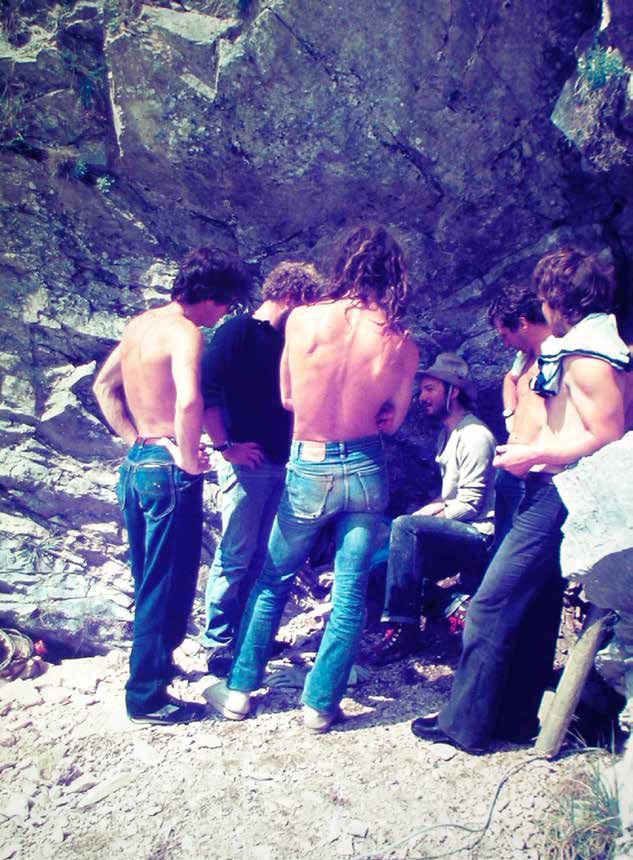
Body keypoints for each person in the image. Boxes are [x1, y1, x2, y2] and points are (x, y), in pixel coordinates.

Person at [411, 247, 630, 754]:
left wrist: (537, 453)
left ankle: (464, 725)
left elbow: (608, 433)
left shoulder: (586, 356)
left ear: (557, 298)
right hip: (562, 488)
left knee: (490, 603)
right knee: (536, 607)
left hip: (559, 490)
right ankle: (512, 719)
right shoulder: (601, 344)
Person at [204, 225, 419, 732]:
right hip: (365, 464)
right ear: (393, 274)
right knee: (349, 591)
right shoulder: (401, 340)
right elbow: (393, 420)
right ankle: (320, 705)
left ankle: (239, 692)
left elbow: (287, 398)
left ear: (343, 262)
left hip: (309, 460)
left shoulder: (303, 319)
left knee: (273, 577)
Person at [93, 247, 250, 725]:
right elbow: (188, 401)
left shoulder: (139, 326)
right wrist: (183, 455)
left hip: (138, 462)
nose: (224, 314)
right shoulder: (185, 332)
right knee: (168, 583)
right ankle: (146, 697)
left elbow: (103, 386)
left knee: (150, 577)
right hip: (167, 471)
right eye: (226, 304)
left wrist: (139, 441)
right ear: (211, 296)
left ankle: (156, 666)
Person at [200, 262, 323, 676]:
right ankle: (219, 642)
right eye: (305, 304)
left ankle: (250, 639)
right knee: (236, 553)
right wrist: (225, 446)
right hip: (248, 464)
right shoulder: (236, 332)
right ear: (290, 297)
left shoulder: (290, 341)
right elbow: (206, 392)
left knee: (264, 557)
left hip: (282, 462)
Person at [369, 353, 496, 665]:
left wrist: (416, 523)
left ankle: (404, 629)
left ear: (453, 392)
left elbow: (470, 504)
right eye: (422, 390)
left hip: (478, 535)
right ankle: (452, 604)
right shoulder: (447, 434)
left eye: (430, 389)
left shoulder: (475, 435)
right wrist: (421, 516)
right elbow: (447, 497)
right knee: (379, 572)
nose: (422, 397)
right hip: (456, 529)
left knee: (406, 527)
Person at [488, 285, 551, 551]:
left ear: (523, 324)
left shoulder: (557, 355)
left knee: (517, 555)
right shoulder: (524, 358)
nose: (505, 343)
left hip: (535, 474)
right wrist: (510, 416)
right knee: (501, 547)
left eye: (505, 335)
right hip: (511, 469)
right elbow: (509, 380)